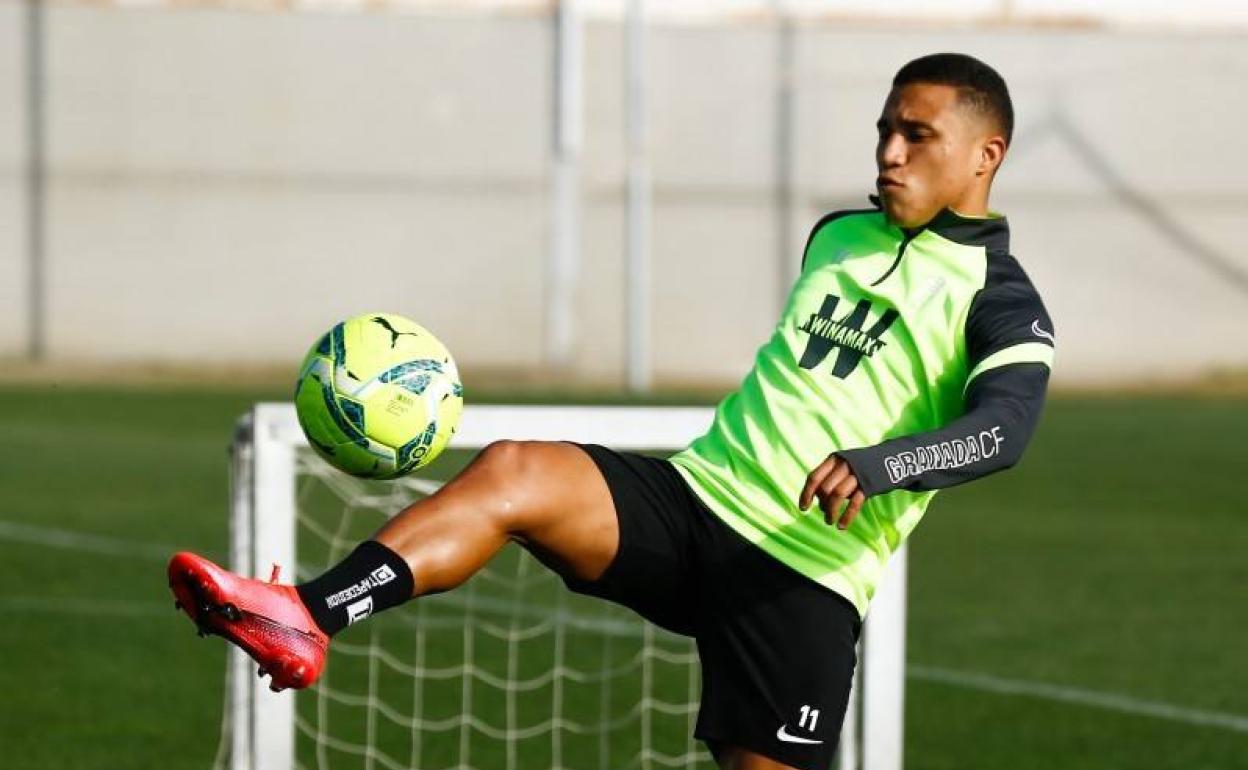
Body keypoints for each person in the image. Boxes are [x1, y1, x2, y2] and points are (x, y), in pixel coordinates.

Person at [169, 52, 1055, 770]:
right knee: (517, 469)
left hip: (801, 576)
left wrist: (880, 461)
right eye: (884, 131)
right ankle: (307, 616)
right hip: (694, 501)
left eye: (917, 134)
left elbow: (1006, 426)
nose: (889, 153)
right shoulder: (837, 234)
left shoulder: (1000, 298)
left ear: (987, 154)